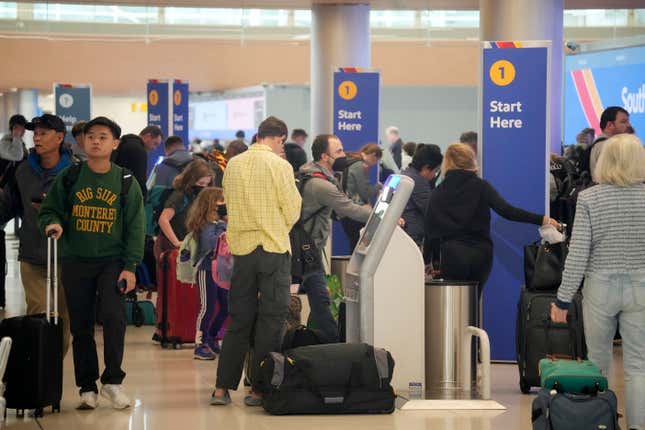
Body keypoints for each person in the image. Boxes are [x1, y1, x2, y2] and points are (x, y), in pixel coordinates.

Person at [38, 116, 145, 410]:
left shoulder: (125, 181)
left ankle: (112, 382)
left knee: (113, 319)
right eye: (90, 136)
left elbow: (136, 226)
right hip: (75, 260)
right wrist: (53, 224)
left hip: (112, 261)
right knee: (81, 326)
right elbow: (49, 210)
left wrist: (131, 266)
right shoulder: (71, 176)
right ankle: (87, 386)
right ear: (83, 141)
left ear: (115, 143)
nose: (95, 141)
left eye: (102, 136)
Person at [551, 134, 645, 430]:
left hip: (600, 287)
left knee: (598, 363)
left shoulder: (590, 198)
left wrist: (563, 299)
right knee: (638, 366)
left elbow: (578, 253)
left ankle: (600, 423)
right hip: (641, 287)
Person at [211, 116, 301, 407]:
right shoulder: (280, 165)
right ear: (278, 138)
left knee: (239, 320)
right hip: (273, 248)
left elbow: (230, 205)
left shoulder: (234, 164)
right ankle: (259, 389)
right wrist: (275, 225)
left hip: (242, 251)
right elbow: (292, 209)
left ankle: (222, 389)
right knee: (271, 320)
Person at [424, 143, 558, 296]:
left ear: (447, 163)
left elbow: (429, 230)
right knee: (474, 300)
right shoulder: (481, 186)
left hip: (453, 255)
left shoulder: (438, 192)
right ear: (470, 161)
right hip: (481, 254)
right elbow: (507, 211)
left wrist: (427, 260)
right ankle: (473, 320)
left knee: (455, 305)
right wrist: (542, 220)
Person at [0, 114, 72, 353]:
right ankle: (40, 367)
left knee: (62, 317)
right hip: (31, 254)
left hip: (65, 256)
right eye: (36, 133)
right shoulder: (22, 170)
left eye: (43, 133)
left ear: (59, 138)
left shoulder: (75, 172)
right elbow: (8, 205)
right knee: (38, 312)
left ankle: (54, 369)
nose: (37, 138)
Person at [299, 135, 372, 340]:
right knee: (321, 300)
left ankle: (317, 339)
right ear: (324, 156)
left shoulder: (312, 174)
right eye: (338, 151)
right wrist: (384, 215)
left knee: (320, 298)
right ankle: (331, 343)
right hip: (307, 251)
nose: (343, 155)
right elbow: (349, 209)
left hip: (306, 247)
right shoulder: (321, 185)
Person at [185, 187, 229, 361]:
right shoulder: (205, 224)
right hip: (206, 269)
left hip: (222, 271)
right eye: (221, 202)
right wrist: (223, 225)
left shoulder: (220, 222)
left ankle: (211, 336)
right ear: (211, 205)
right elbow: (210, 244)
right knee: (207, 306)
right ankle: (200, 343)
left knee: (227, 306)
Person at [153, 159, 214, 259]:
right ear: (191, 180)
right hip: (170, 247)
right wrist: (176, 242)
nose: (204, 187)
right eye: (201, 183)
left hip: (183, 246)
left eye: (207, 184)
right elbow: (163, 220)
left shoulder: (195, 195)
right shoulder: (179, 196)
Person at [341, 143, 383, 250]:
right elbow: (366, 192)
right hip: (355, 211)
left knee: (354, 242)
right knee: (358, 244)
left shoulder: (351, 160)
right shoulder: (359, 165)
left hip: (345, 209)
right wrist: (379, 186)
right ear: (373, 155)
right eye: (375, 160)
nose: (374, 164)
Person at [401, 144, 443, 246]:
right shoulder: (419, 182)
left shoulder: (405, 173)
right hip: (411, 237)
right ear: (426, 168)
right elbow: (430, 210)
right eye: (435, 171)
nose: (434, 175)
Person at [112, 125, 163, 199]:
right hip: (127, 196)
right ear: (148, 136)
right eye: (155, 143)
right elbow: (139, 179)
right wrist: (144, 197)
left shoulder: (124, 142)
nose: (154, 148)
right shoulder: (139, 150)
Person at [585, 107, 630, 181]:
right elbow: (615, 179)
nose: (628, 125)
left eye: (628, 122)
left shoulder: (601, 144)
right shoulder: (606, 146)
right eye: (623, 122)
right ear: (609, 125)